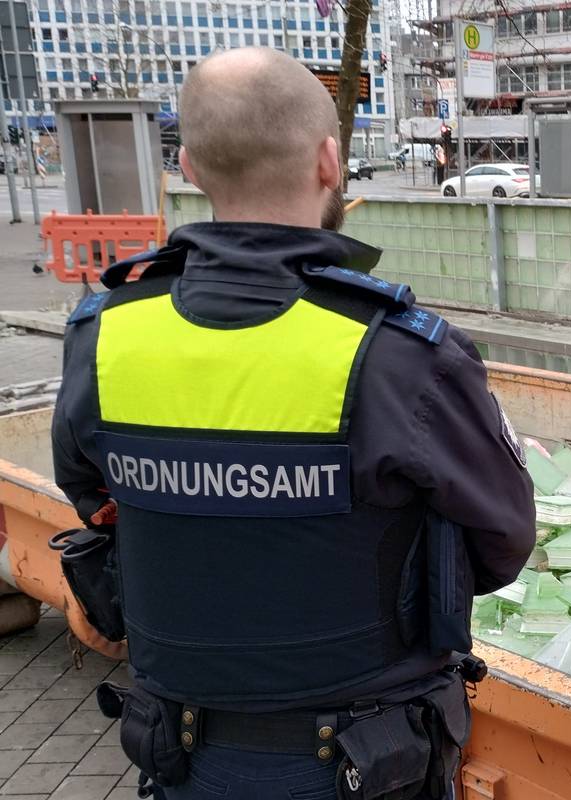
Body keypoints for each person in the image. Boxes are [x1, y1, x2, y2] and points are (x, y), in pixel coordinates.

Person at [51, 47, 534, 800]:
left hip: (181, 757)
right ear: (330, 162)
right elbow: (503, 542)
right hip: (366, 764)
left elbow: (91, 497)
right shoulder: (400, 356)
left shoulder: (103, 336)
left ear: (189, 167)